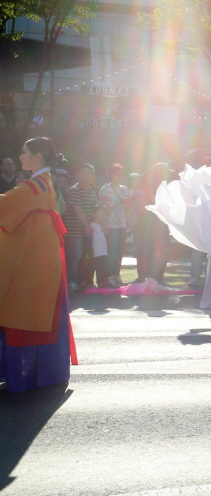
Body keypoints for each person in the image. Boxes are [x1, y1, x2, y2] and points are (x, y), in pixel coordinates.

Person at [0, 137, 77, 392]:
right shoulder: (43, 183)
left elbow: (4, 206)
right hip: (40, 257)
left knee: (23, 311)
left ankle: (26, 376)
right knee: (37, 313)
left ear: (38, 157)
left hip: (34, 260)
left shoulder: (33, 186)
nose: (20, 156)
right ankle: (41, 373)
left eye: (24, 152)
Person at [64, 164, 98, 292]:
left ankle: (82, 281)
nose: (86, 174)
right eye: (83, 172)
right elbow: (77, 208)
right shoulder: (74, 189)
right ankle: (72, 282)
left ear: (93, 176)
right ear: (78, 175)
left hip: (87, 230)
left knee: (85, 257)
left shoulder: (92, 192)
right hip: (74, 230)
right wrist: (86, 225)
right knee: (75, 257)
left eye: (89, 172)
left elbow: (94, 210)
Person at [99, 164, 130, 286]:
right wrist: (120, 202)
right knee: (111, 251)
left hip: (122, 223)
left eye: (122, 174)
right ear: (111, 175)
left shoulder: (125, 188)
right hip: (110, 223)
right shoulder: (105, 189)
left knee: (120, 251)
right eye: (117, 174)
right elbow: (104, 208)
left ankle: (117, 274)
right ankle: (109, 276)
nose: (120, 176)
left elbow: (127, 207)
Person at [89, 206, 114, 288]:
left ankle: (104, 281)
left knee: (103, 266)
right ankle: (99, 282)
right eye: (100, 213)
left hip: (103, 251)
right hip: (96, 252)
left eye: (103, 214)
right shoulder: (91, 225)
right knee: (98, 267)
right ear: (93, 215)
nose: (102, 215)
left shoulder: (102, 226)